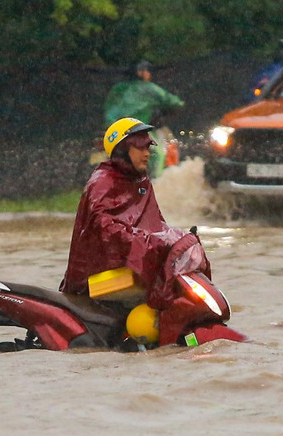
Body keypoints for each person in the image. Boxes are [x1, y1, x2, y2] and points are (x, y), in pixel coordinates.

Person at [62, 118, 209, 346]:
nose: (147, 153)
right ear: (122, 150)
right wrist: (145, 242)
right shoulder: (102, 182)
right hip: (97, 280)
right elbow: (105, 228)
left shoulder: (141, 181)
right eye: (139, 147)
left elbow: (155, 225)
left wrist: (175, 238)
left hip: (129, 272)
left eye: (148, 147)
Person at [102, 61, 184, 178]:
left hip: (113, 131)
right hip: (135, 130)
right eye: (147, 71)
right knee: (158, 154)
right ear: (140, 72)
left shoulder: (118, 88)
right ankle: (155, 185)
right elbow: (175, 102)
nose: (149, 74)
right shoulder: (148, 88)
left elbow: (108, 108)